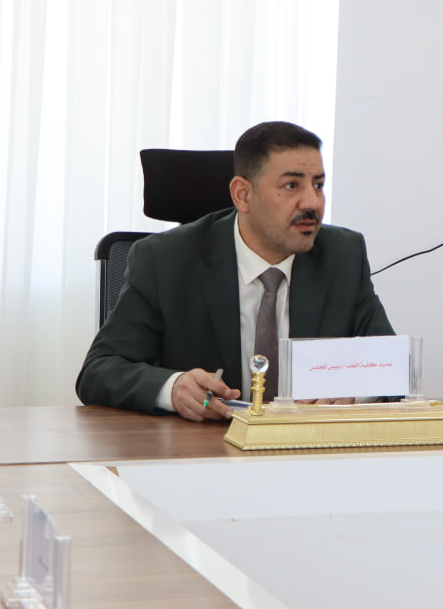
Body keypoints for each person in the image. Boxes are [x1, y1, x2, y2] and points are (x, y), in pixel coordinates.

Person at [77, 121, 395, 421]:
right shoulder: (165, 260)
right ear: (243, 195)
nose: (312, 202)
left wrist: (352, 391)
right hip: (203, 449)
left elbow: (394, 367)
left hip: (307, 448)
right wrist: (172, 388)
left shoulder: (343, 255)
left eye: (318, 185)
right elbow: (99, 371)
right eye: (292, 185)